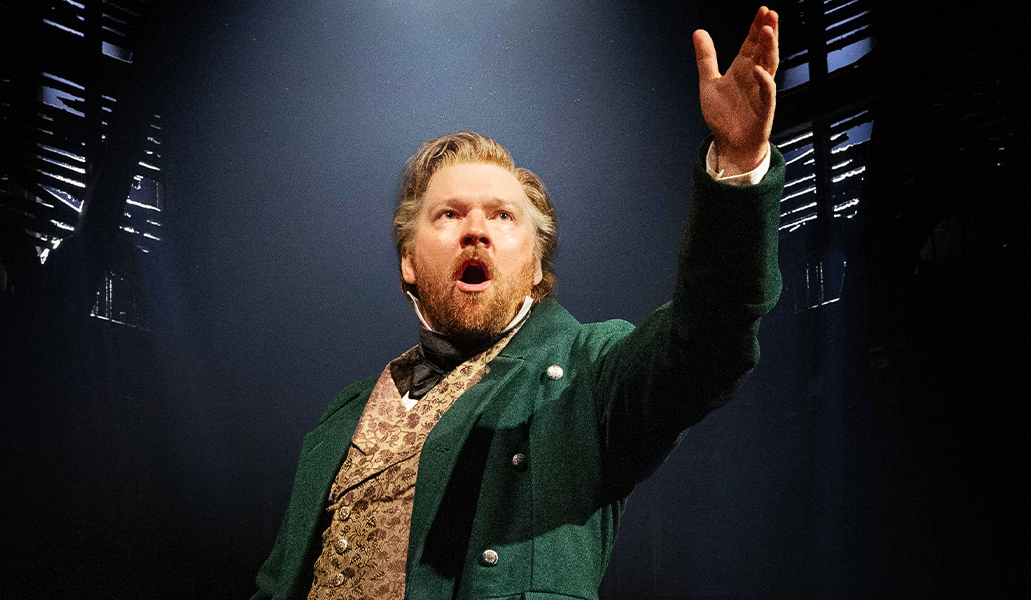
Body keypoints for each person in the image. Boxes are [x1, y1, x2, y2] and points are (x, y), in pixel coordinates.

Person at [254, 7, 784, 599]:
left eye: (503, 216)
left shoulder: (588, 372)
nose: (475, 230)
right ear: (408, 260)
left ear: (535, 266)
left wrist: (738, 168)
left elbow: (708, 338)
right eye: (449, 214)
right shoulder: (342, 415)